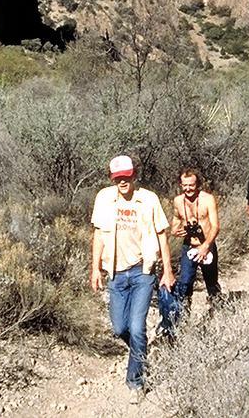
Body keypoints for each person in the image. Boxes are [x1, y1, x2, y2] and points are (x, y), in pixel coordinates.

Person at [90, 155, 175, 398]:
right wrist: (95, 268)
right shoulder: (104, 198)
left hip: (142, 272)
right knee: (119, 328)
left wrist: (167, 271)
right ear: (112, 178)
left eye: (126, 176)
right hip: (116, 273)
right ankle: (141, 353)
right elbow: (98, 235)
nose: (122, 181)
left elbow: (162, 235)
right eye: (118, 178)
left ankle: (135, 382)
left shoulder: (148, 199)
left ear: (134, 175)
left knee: (137, 328)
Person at [162, 167, 221, 333]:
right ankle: (183, 315)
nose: (188, 189)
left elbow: (215, 226)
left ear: (198, 184)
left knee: (211, 281)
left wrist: (205, 246)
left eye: (191, 185)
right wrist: (176, 230)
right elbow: (175, 222)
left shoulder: (208, 199)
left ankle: (217, 309)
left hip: (207, 245)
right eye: (185, 185)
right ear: (181, 185)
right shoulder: (178, 201)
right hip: (189, 246)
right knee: (185, 281)